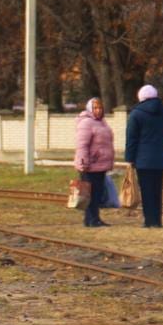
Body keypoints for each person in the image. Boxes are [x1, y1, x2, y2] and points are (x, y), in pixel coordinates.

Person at [125, 84, 163, 228]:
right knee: (157, 190)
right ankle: (157, 221)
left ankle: (148, 221)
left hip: (143, 160)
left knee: (146, 191)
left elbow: (131, 138)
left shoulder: (136, 114)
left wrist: (129, 159)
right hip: (160, 158)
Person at [74, 97, 114, 227]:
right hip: (90, 165)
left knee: (97, 193)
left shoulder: (102, 122)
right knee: (89, 193)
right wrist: (83, 162)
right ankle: (90, 219)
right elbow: (82, 145)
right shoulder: (86, 123)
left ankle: (94, 218)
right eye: (95, 108)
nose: (98, 110)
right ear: (90, 109)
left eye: (100, 108)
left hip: (101, 165)